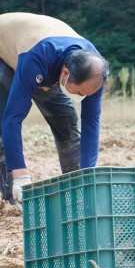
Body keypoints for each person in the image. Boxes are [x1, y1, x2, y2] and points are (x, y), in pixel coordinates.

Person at [0, 12, 110, 204]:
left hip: (45, 62)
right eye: (78, 92)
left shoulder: (94, 71)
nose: (81, 97)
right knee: (3, 117)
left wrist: (88, 174)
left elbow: (91, 122)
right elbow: (13, 119)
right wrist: (21, 175)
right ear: (65, 73)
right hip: (8, 51)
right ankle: (13, 196)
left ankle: (77, 187)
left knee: (66, 120)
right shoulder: (36, 60)